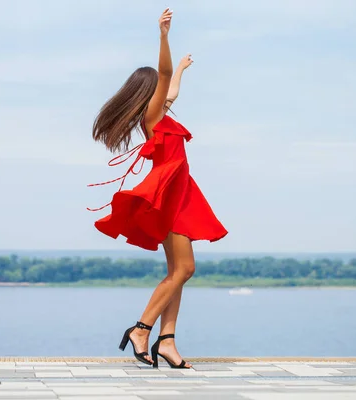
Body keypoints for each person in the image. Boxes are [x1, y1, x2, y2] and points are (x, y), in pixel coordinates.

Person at [88, 8, 227, 369]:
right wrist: (164, 38)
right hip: (168, 196)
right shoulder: (152, 117)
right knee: (185, 269)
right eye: (160, 86)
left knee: (178, 269)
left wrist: (181, 68)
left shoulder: (161, 113)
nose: (165, 89)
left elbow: (171, 83)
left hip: (181, 195)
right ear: (149, 90)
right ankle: (141, 328)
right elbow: (163, 74)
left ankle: (167, 341)